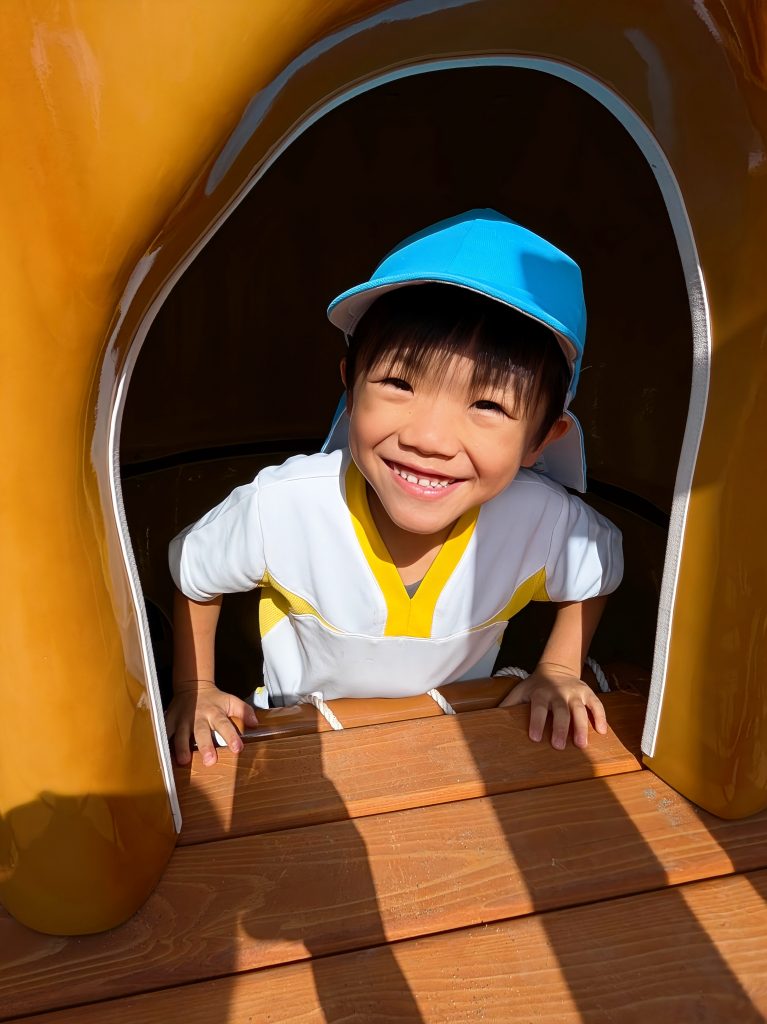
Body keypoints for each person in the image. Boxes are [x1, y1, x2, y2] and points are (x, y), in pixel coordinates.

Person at [166, 209, 622, 767]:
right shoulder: (284, 505)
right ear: (350, 387)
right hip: (300, 752)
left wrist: (559, 668)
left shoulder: (541, 520)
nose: (429, 439)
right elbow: (196, 573)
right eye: (399, 383)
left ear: (542, 439)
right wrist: (195, 687)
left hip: (450, 751)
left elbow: (597, 568)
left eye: (487, 405)